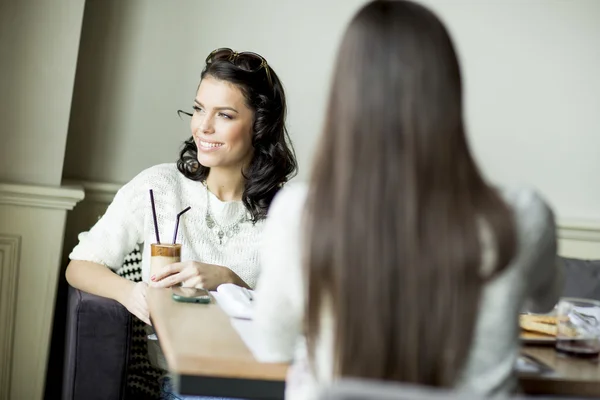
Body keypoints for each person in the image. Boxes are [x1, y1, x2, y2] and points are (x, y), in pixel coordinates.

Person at [253, 1, 562, 399]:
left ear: (344, 96)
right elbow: (546, 300)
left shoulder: (301, 213)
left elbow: (271, 344)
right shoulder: (522, 214)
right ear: (449, 93)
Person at [66, 47, 297, 399]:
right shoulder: (159, 187)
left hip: (261, 378)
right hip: (187, 382)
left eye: (225, 115)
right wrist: (132, 294)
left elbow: (300, 320)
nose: (203, 126)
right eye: (200, 108)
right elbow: (80, 266)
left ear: (259, 126)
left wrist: (232, 282)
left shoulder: (287, 213)